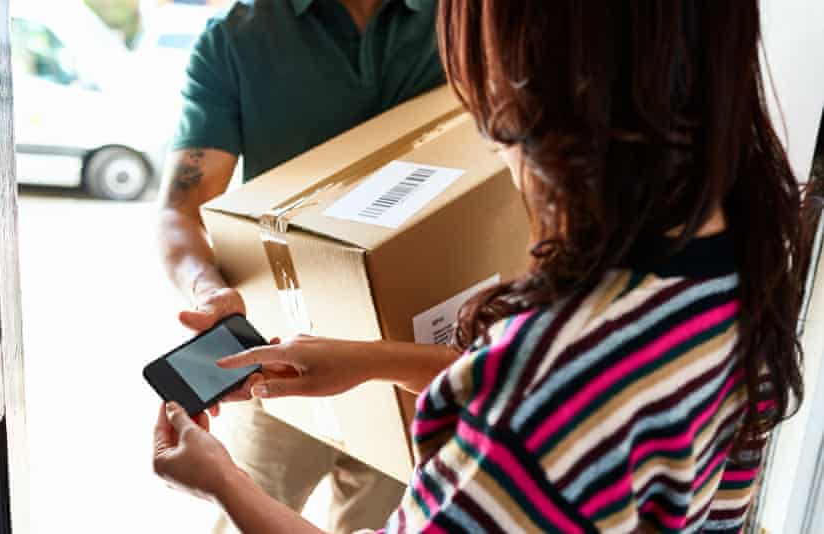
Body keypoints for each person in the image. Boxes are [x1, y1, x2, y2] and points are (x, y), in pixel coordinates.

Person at [152, 0, 810, 532]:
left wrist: (222, 482)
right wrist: (374, 359)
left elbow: (546, 408)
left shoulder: (549, 378)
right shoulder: (745, 264)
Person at [155, 0, 445, 532]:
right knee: (244, 512)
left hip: (411, 356)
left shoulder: (461, 19)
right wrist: (206, 288)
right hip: (282, 355)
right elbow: (180, 207)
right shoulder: (238, 36)